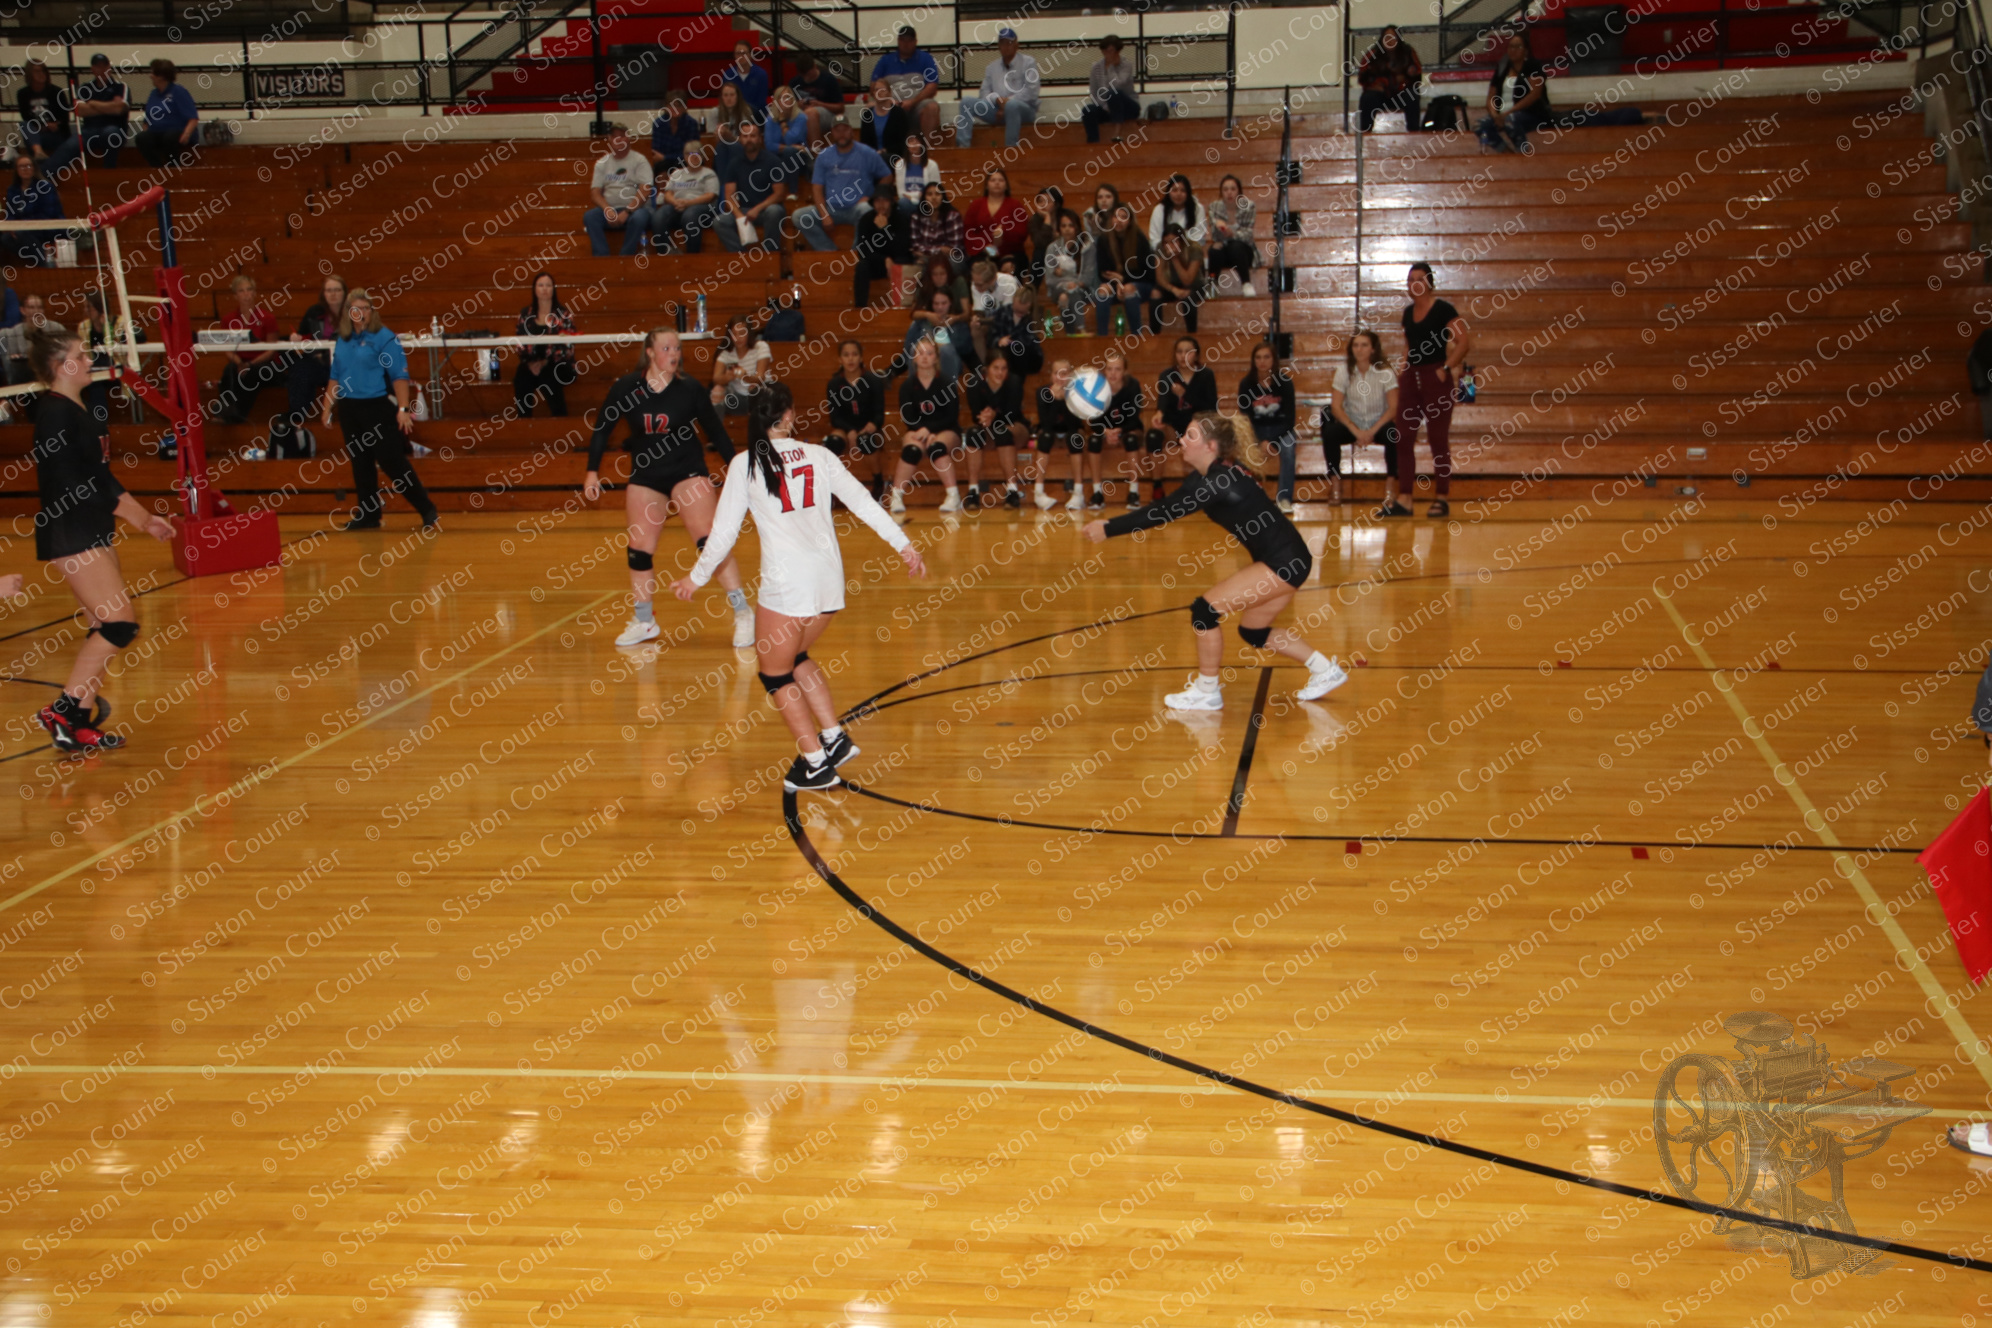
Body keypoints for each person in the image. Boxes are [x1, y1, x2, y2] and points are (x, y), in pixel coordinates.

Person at [672, 383, 925, 792]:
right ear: (788, 415)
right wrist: (904, 545)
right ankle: (834, 739)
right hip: (829, 583)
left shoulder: (744, 464)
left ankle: (815, 764)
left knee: (774, 674)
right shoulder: (820, 455)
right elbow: (863, 502)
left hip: (789, 586)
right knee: (796, 655)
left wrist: (694, 579)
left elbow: (721, 537)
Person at [1085, 412, 1347, 709]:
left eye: (1191, 436)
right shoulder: (1211, 474)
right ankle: (1325, 670)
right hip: (1290, 558)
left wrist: (1107, 529)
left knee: (1204, 611)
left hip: (1283, 562)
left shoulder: (1216, 481)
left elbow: (1161, 513)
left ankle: (1207, 691)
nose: (1182, 439)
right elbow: (1166, 505)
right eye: (1184, 434)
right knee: (1253, 631)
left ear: (1211, 446)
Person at [25, 325, 175, 752]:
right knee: (119, 623)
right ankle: (64, 710)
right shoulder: (54, 413)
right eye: (80, 354)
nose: (89, 360)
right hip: (71, 530)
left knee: (102, 627)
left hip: (91, 527)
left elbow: (101, 477)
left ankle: (78, 722)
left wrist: (144, 519)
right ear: (61, 366)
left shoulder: (78, 408)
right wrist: (129, 515)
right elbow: (76, 484)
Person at [584, 328, 753, 649]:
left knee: (709, 541)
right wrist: (592, 472)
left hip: (687, 471)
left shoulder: (689, 389)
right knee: (638, 549)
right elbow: (602, 429)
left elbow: (715, 431)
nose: (674, 353)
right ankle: (645, 620)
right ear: (650, 352)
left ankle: (743, 613)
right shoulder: (626, 388)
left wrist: (738, 467)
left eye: (677, 347)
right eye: (666, 348)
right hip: (647, 475)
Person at [320, 290, 437, 532]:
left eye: (365, 308)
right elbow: (335, 376)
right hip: (350, 408)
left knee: (392, 462)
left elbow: (399, 377)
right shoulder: (342, 339)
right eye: (356, 308)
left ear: (371, 311)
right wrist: (326, 407)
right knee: (360, 463)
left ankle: (426, 508)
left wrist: (404, 409)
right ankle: (369, 514)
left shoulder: (385, 338)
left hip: (377, 407)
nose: (361, 313)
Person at [1396, 262, 1468, 517]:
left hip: (1436, 377)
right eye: (1410, 279)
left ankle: (1441, 497)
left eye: (1419, 278)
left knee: (1437, 439)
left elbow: (1463, 342)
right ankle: (1405, 497)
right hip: (1411, 378)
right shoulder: (1407, 313)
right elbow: (1408, 344)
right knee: (1403, 436)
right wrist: (1403, 369)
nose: (1414, 283)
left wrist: (1446, 368)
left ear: (1429, 282)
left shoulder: (1443, 309)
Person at [214, 273, 297, 459]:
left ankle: (238, 413)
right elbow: (227, 349)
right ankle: (226, 408)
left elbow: (271, 349)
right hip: (241, 362)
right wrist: (239, 363)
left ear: (255, 293)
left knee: (253, 373)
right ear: (236, 295)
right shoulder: (229, 320)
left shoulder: (267, 318)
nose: (246, 294)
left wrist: (249, 364)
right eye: (241, 291)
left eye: (249, 290)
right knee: (229, 371)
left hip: (265, 364)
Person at [888, 337, 964, 515]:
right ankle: (896, 496)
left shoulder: (946, 384)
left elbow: (951, 416)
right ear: (913, 357)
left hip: (947, 430)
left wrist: (930, 430)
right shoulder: (907, 386)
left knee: (936, 446)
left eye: (929, 353)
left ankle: (953, 496)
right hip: (917, 430)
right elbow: (908, 417)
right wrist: (923, 431)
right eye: (920, 353)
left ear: (936, 358)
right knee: (912, 450)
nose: (924, 357)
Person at [1328, 330, 1398, 515]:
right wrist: (1357, 431)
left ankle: (1391, 486)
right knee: (1330, 432)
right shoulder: (1343, 371)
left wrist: (1373, 431)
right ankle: (1336, 484)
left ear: (1373, 349)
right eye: (1356, 345)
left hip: (1379, 423)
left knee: (1394, 433)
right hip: (1353, 423)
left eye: (1364, 345)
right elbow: (1336, 407)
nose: (1359, 349)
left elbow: (1393, 408)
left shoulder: (1386, 373)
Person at [796, 118, 890, 252]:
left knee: (867, 210)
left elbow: (887, 176)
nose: (841, 134)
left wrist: (872, 197)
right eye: (837, 130)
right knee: (799, 216)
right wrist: (824, 215)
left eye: (845, 130)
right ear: (832, 133)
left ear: (851, 131)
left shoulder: (867, 153)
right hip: (831, 208)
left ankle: (856, 254)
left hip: (857, 208)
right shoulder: (824, 156)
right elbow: (817, 188)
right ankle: (829, 251)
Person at [719, 122, 804, 255]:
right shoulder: (734, 163)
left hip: (767, 208)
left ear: (760, 139)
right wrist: (739, 215)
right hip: (745, 210)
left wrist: (757, 209)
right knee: (720, 221)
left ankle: (770, 255)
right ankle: (741, 256)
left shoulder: (773, 161)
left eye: (753, 136)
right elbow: (729, 196)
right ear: (740, 139)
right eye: (745, 136)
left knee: (774, 212)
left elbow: (779, 194)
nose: (749, 139)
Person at [286, 273, 345, 460]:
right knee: (301, 369)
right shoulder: (314, 312)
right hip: (319, 363)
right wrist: (296, 338)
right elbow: (303, 336)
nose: (333, 294)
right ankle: (296, 419)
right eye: (329, 290)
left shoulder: (353, 312)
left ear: (344, 293)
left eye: (337, 290)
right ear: (323, 294)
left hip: (345, 365)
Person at [1150, 335, 1215, 504]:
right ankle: (1157, 486)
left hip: (1197, 425)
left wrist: (1185, 394)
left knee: (1197, 438)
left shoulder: (1206, 375)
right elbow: (1162, 402)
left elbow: (1210, 408)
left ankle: (1199, 488)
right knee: (1153, 436)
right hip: (1174, 424)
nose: (1182, 356)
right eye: (1179, 352)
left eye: (1188, 352)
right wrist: (1159, 415)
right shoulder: (1167, 375)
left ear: (1196, 355)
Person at [1240, 341, 1302, 510]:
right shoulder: (1246, 385)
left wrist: (1272, 442)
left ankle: (1284, 499)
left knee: (1289, 447)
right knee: (1242, 446)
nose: (1262, 361)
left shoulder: (1285, 383)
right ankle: (1247, 497)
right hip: (1256, 429)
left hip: (1281, 429)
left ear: (1274, 360)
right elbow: (1245, 418)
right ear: (1253, 361)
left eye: (1266, 357)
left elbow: (1289, 419)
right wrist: (1259, 440)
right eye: (1258, 357)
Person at [823, 340, 890, 494]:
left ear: (861, 358)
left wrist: (873, 425)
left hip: (868, 428)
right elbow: (834, 417)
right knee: (832, 442)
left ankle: (878, 481)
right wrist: (850, 430)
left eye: (854, 354)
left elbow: (879, 413)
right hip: (844, 428)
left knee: (865, 440)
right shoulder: (834, 384)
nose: (850, 359)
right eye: (846, 355)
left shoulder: (873, 381)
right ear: (840, 359)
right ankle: (831, 487)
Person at [957, 27, 1040, 149]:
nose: (1006, 46)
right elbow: (984, 93)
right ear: (998, 46)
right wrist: (997, 100)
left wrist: (1007, 103)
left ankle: (1010, 148)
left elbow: (1032, 92)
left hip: (1024, 110)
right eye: (1002, 43)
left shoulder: (1028, 63)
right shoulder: (991, 68)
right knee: (966, 102)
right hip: (997, 110)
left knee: (1012, 106)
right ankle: (963, 147)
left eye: (1010, 42)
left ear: (1017, 45)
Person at [962, 354, 1027, 509]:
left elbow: (1012, 414)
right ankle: (973, 491)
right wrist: (984, 417)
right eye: (996, 368)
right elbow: (975, 416)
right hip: (988, 429)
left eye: (1004, 369)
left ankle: (1012, 491)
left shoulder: (1014, 382)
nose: (1000, 373)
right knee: (972, 433)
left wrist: (994, 415)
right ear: (987, 369)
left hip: (1015, 426)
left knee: (1002, 433)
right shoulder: (975, 384)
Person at [583, 124, 656, 256]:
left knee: (639, 218)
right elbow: (595, 193)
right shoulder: (601, 163)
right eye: (614, 136)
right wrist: (607, 209)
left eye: (621, 136)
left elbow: (645, 191)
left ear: (628, 139)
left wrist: (627, 211)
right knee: (590, 216)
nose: (618, 140)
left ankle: (625, 256)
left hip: (636, 210)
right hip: (611, 210)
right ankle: (602, 256)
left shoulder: (639, 160)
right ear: (609, 140)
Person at [514, 271, 575, 419]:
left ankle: (561, 420)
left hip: (558, 363)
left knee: (549, 376)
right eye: (540, 285)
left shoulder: (563, 314)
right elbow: (519, 343)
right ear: (534, 289)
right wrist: (530, 363)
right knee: (521, 377)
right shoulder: (525, 314)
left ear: (553, 289)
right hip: (531, 363)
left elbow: (568, 346)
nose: (544, 289)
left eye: (548, 285)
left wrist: (545, 362)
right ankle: (523, 422)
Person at [1478, 31, 1551, 152]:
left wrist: (1508, 113)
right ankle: (1506, 152)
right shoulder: (1502, 68)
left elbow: (1535, 94)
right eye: (1511, 47)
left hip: (1530, 114)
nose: (1513, 50)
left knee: (1510, 120)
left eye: (1518, 47)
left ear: (1526, 51)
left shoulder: (1533, 66)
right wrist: (1495, 115)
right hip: (1502, 115)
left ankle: (1522, 152)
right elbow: (1491, 96)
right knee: (1480, 125)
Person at [871, 27, 944, 146]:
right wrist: (888, 100)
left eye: (909, 40)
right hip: (890, 106)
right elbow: (873, 87)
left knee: (932, 107)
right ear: (898, 41)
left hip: (916, 106)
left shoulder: (926, 59)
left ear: (915, 42)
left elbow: (932, 86)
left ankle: (925, 149)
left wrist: (912, 102)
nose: (906, 44)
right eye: (902, 40)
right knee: (869, 108)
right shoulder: (885, 60)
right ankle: (878, 149)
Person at [1095, 347, 1146, 508]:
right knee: (1093, 441)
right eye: (1109, 369)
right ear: (1104, 370)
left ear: (1124, 371)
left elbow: (1135, 415)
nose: (1113, 373)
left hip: (1128, 427)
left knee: (1131, 440)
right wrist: (1105, 431)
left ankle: (1133, 491)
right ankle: (1097, 492)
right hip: (1105, 429)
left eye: (1117, 369)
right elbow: (1092, 418)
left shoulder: (1132, 386)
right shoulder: (1097, 387)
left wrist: (1120, 431)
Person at [1095, 204, 1155, 337]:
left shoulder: (1140, 239)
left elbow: (1147, 273)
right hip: (1116, 284)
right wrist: (1118, 283)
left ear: (1130, 221)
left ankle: (1136, 335)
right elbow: (1103, 272)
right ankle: (1101, 337)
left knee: (1128, 289)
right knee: (1103, 289)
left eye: (1124, 217)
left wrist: (1123, 279)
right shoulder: (1103, 240)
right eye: (1116, 216)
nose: (1119, 220)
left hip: (1141, 285)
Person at [652, 140, 720, 254]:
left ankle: (692, 255)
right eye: (689, 154)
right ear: (684, 156)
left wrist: (688, 203)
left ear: (702, 156)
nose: (693, 157)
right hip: (677, 206)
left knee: (690, 215)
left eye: (697, 154)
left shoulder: (708, 173)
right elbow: (667, 194)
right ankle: (664, 253)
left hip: (702, 208)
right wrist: (675, 202)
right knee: (658, 216)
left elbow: (710, 196)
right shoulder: (676, 173)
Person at [17, 60, 80, 177]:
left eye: (43, 71)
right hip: (37, 133)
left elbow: (64, 117)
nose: (41, 74)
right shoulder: (23, 94)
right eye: (37, 71)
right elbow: (26, 116)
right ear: (29, 74)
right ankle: (38, 152)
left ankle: (40, 171)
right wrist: (42, 126)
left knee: (31, 135)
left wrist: (55, 125)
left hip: (55, 134)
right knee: (23, 125)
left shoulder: (56, 92)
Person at [852, 183, 911, 308]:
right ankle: (859, 307)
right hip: (877, 263)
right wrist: (884, 259)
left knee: (903, 261)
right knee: (862, 266)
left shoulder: (901, 219)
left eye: (885, 200)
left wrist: (885, 230)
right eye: (878, 201)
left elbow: (903, 248)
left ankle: (901, 305)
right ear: (873, 203)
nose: (881, 204)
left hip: (897, 262)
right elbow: (863, 250)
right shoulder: (866, 220)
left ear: (891, 202)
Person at [1358, 26, 1423, 133]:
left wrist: (1404, 80)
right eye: (1387, 37)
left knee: (1412, 95)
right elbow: (1363, 77)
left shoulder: (1408, 52)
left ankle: (1414, 132)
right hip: (1380, 95)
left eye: (1393, 37)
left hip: (1401, 94)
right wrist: (1374, 85)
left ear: (1398, 39)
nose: (1390, 40)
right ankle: (1365, 133)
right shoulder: (1372, 54)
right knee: (1368, 98)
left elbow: (1417, 76)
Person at [962, 167, 1029, 271]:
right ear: (987, 185)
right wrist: (985, 247)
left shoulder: (1015, 205)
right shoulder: (976, 205)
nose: (997, 183)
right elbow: (968, 232)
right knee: (980, 269)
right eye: (993, 180)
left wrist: (1004, 233)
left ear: (1006, 185)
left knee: (1009, 267)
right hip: (982, 253)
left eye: (1001, 180)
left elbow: (1022, 232)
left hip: (1010, 253)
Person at [135, 59, 199, 167]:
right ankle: (157, 167)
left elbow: (193, 118)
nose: (150, 76)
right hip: (157, 132)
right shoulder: (153, 94)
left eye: (153, 73)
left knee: (169, 138)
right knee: (141, 138)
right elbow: (148, 119)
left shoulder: (179, 91)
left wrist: (187, 133)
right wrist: (145, 132)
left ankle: (173, 168)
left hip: (177, 132)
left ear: (161, 76)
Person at [73, 54, 132, 168]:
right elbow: (80, 111)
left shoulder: (120, 87)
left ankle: (109, 172)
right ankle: (45, 175)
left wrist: (92, 103)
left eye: (106, 66)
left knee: (111, 134)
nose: (103, 70)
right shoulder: (85, 88)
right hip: (88, 131)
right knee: (72, 144)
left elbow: (119, 109)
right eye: (99, 67)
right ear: (93, 69)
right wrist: (109, 107)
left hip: (114, 128)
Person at [1205, 175, 1260, 298]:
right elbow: (1215, 235)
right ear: (1221, 192)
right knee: (1214, 250)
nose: (1229, 193)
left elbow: (1248, 234)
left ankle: (1246, 283)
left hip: (1244, 250)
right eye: (1225, 189)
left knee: (1236, 247)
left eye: (1233, 189)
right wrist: (1221, 235)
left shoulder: (1249, 206)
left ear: (1239, 191)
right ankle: (1212, 285)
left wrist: (1232, 233)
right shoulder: (1214, 207)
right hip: (1224, 248)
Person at [1041, 209, 1095, 332]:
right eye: (1063, 226)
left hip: (1084, 290)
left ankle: (1070, 333)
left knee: (1067, 295)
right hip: (1057, 288)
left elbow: (1087, 278)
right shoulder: (1052, 248)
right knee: (1068, 291)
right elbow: (1050, 279)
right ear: (1058, 228)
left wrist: (1066, 276)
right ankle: (1081, 329)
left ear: (1077, 227)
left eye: (1071, 225)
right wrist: (1069, 280)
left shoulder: (1087, 247)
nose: (1067, 229)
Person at [3, 156, 64, 264]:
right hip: (22, 229)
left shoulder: (45, 187)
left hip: (46, 227)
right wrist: (10, 226)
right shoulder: (13, 190)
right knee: (5, 239)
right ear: (17, 170)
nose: (25, 169)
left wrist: (24, 224)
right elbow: (10, 213)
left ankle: (44, 262)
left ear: (34, 168)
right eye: (21, 166)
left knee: (22, 234)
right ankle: (38, 258)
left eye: (28, 165)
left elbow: (48, 214)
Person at [902, 284, 967, 381]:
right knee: (914, 350)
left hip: (949, 359)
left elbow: (964, 349)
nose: (940, 307)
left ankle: (948, 392)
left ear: (951, 303)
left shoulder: (958, 323)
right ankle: (916, 388)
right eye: (936, 304)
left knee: (945, 350)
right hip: (926, 356)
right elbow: (908, 345)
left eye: (944, 303)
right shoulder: (922, 322)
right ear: (931, 305)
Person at [1083, 36, 1140, 144]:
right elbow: (1094, 93)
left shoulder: (1126, 65)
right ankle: (1093, 142)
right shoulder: (1096, 67)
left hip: (1127, 107)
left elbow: (1118, 85)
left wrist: (1110, 68)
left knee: (1114, 94)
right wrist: (1106, 106)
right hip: (1107, 108)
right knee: (1088, 110)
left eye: (1110, 51)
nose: (1107, 54)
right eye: (1104, 51)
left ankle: (1117, 132)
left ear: (1118, 51)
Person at [712, 315, 772, 417]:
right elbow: (716, 378)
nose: (737, 338)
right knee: (717, 391)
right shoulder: (726, 353)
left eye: (742, 333)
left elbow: (760, 377)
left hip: (761, 395)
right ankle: (716, 429)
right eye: (734, 334)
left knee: (755, 389)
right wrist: (728, 376)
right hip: (738, 397)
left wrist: (745, 377)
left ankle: (756, 425)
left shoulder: (761, 347)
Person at [1152, 228, 1209, 335]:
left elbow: (1188, 280)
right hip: (1170, 284)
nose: (1170, 245)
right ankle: (1155, 334)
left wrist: (1175, 259)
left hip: (1194, 284)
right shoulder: (1160, 248)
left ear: (1181, 241)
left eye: (1174, 241)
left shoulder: (1193, 248)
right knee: (1155, 293)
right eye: (1166, 242)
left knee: (1188, 295)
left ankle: (1192, 334)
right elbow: (1159, 278)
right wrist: (1173, 290)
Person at [1, 294, 63, 386]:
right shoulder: (10, 334)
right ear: (22, 310)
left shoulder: (56, 329)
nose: (36, 311)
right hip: (23, 383)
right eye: (31, 307)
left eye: (39, 307)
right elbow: (10, 367)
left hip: (52, 381)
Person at [965, 258, 1019, 363]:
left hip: (1011, 321)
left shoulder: (1009, 283)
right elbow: (979, 312)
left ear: (992, 280)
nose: (976, 287)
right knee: (975, 328)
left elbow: (1006, 316)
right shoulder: (976, 285)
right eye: (974, 283)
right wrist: (977, 320)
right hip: (991, 320)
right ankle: (985, 365)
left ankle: (1007, 364)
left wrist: (983, 320)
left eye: (979, 284)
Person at [989, 283, 1043, 382]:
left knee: (1019, 349)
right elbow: (992, 337)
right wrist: (999, 340)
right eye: (1016, 310)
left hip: (1028, 356)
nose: (1018, 314)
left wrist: (1011, 340)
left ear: (1029, 306)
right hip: (1006, 353)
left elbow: (1031, 341)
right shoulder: (1003, 312)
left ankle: (1016, 383)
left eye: (1022, 312)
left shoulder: (1034, 317)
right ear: (1013, 301)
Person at [908, 182, 964, 274]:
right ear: (924, 198)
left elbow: (954, 249)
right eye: (929, 194)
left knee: (951, 266)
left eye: (937, 194)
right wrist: (940, 249)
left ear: (943, 197)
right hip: (925, 258)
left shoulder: (953, 216)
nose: (934, 198)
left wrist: (926, 251)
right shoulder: (916, 217)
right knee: (918, 268)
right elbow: (915, 246)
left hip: (950, 259)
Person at [789, 54, 845, 144]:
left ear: (814, 66)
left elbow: (840, 108)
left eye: (809, 73)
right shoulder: (794, 83)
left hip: (826, 113)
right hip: (801, 113)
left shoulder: (829, 80)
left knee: (810, 113)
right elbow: (789, 106)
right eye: (804, 75)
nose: (807, 77)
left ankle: (815, 153)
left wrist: (819, 104)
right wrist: (798, 105)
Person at [646, 90, 703, 172]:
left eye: (678, 106)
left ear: (684, 107)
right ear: (666, 107)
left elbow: (693, 152)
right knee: (661, 169)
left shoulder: (691, 124)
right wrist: (666, 158)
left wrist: (666, 157)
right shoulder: (658, 124)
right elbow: (657, 154)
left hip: (686, 162)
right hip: (665, 163)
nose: (675, 109)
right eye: (671, 105)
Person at [857, 78, 910, 166]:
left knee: (884, 159)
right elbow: (864, 142)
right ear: (873, 93)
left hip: (894, 157)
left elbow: (903, 142)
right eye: (876, 90)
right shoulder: (867, 115)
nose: (879, 92)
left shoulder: (899, 113)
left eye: (882, 90)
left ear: (889, 93)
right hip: (872, 156)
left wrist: (885, 151)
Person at [710, 81, 757, 178]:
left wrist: (730, 137)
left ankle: (734, 183)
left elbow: (746, 140)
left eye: (732, 95)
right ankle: (724, 187)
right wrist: (719, 136)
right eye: (726, 95)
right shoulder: (714, 112)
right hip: (720, 149)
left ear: (738, 97)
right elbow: (710, 141)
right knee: (721, 146)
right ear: (722, 97)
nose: (729, 98)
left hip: (740, 148)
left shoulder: (746, 111)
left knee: (733, 147)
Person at [1147, 173, 1206, 246]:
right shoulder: (1159, 209)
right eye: (1174, 190)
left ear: (1188, 193)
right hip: (1165, 251)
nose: (1178, 194)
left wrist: (1181, 250)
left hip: (1189, 251)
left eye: (1183, 190)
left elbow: (1198, 237)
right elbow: (1155, 239)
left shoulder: (1198, 209)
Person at [894, 135, 940, 216]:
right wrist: (917, 196)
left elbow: (935, 190)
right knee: (903, 203)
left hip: (926, 201)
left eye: (917, 141)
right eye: (911, 141)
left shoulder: (932, 165)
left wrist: (914, 197)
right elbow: (901, 193)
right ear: (907, 146)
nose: (914, 144)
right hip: (908, 203)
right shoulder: (899, 164)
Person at [722, 40, 771, 115]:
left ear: (750, 55)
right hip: (734, 116)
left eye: (744, 53)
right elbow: (725, 101)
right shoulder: (728, 75)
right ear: (734, 55)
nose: (741, 57)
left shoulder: (761, 75)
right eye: (738, 53)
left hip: (756, 117)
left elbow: (761, 102)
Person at [766, 86, 813, 162]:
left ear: (792, 100)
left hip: (798, 156)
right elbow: (769, 146)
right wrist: (794, 147)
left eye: (787, 97)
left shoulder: (800, 117)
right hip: (776, 156)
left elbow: (790, 140)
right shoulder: (770, 119)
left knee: (789, 152)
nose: (784, 101)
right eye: (781, 98)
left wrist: (782, 121)